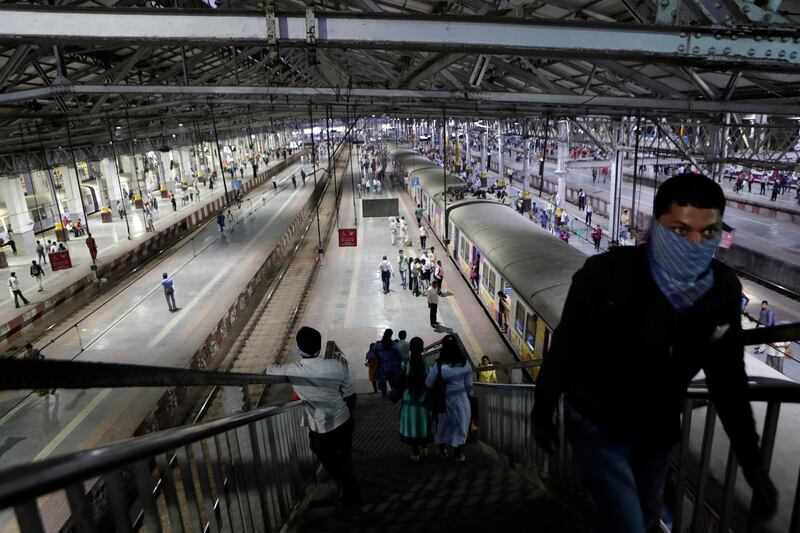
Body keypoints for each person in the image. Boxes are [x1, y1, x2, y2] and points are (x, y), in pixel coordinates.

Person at [531, 173, 777, 533]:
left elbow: (728, 378)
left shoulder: (722, 291)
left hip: (657, 430)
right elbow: (566, 348)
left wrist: (751, 461)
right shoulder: (605, 274)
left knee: (644, 518)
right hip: (597, 421)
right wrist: (542, 410)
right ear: (656, 226)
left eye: (707, 232)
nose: (695, 243)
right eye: (680, 230)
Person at [265, 326, 360, 505]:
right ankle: (348, 486)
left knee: (322, 452)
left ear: (298, 349)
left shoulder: (293, 370)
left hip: (320, 426)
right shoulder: (336, 366)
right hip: (343, 419)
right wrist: (347, 414)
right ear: (319, 346)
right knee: (344, 456)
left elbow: (269, 370)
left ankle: (345, 486)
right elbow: (351, 395)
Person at [426, 335, 473, 462]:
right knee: (461, 425)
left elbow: (429, 383)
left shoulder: (439, 365)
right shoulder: (465, 363)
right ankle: (458, 455)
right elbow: (469, 385)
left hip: (444, 400)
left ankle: (442, 451)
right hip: (461, 399)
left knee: (443, 425)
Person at [400, 337, 433, 461]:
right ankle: (425, 449)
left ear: (410, 349)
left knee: (412, 426)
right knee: (423, 425)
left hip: (408, 402)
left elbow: (400, 382)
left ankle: (416, 453)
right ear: (422, 348)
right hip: (423, 402)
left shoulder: (405, 365)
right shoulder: (427, 366)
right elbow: (430, 384)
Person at [374, 328, 402, 398]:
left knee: (383, 384)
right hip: (392, 366)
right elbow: (398, 355)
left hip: (382, 366)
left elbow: (374, 353)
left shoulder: (378, 344)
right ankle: (393, 396)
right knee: (392, 382)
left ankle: (384, 397)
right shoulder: (393, 345)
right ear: (391, 335)